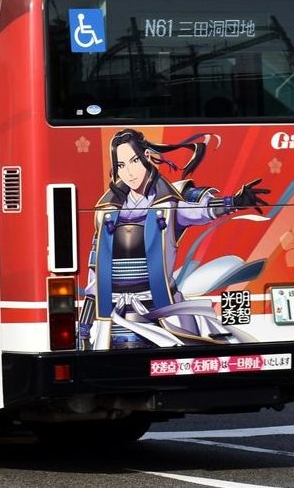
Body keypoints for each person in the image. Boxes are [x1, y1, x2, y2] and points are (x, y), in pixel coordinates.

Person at [77, 128, 268, 350]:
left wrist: (232, 202)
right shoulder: (107, 211)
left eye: (134, 161)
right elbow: (96, 272)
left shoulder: (168, 205)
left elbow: (200, 210)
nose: (129, 172)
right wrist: (84, 325)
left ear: (146, 157)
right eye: (121, 165)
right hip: (114, 316)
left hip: (159, 311)